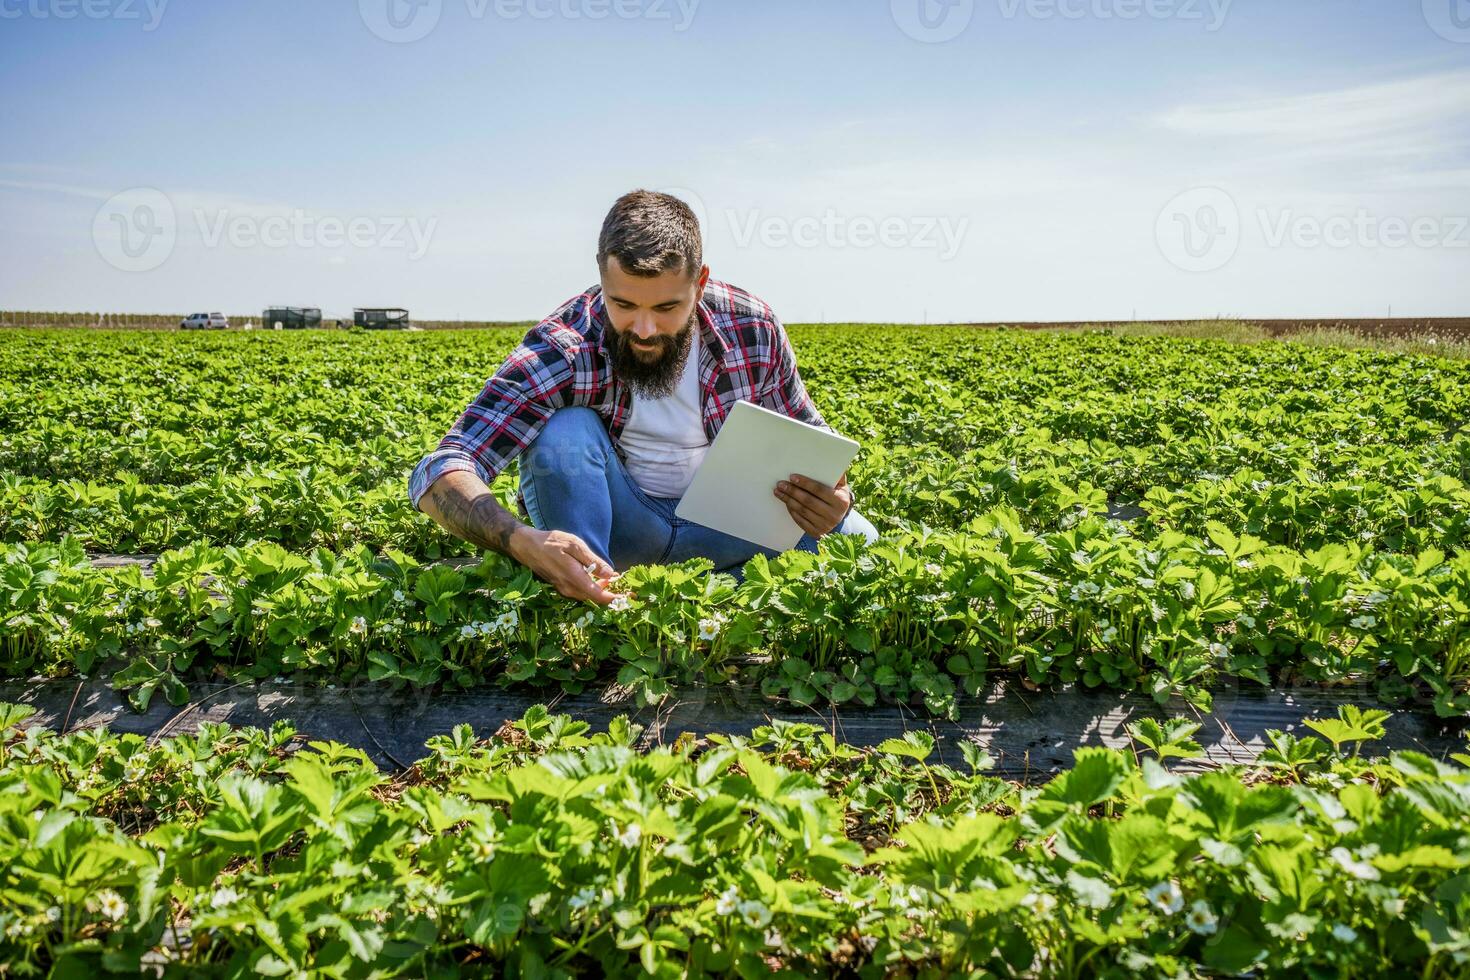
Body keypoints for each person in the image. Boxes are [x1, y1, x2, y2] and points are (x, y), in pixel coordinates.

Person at [408, 189, 878, 605]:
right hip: (618, 530)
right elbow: (444, 466)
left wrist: (833, 496)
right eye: (624, 305)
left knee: (863, 543)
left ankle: (677, 595)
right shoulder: (566, 344)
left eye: (667, 307)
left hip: (727, 529)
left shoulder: (749, 327)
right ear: (601, 281)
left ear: (700, 282)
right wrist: (518, 539)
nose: (645, 330)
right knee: (565, 432)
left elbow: (811, 438)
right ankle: (595, 589)